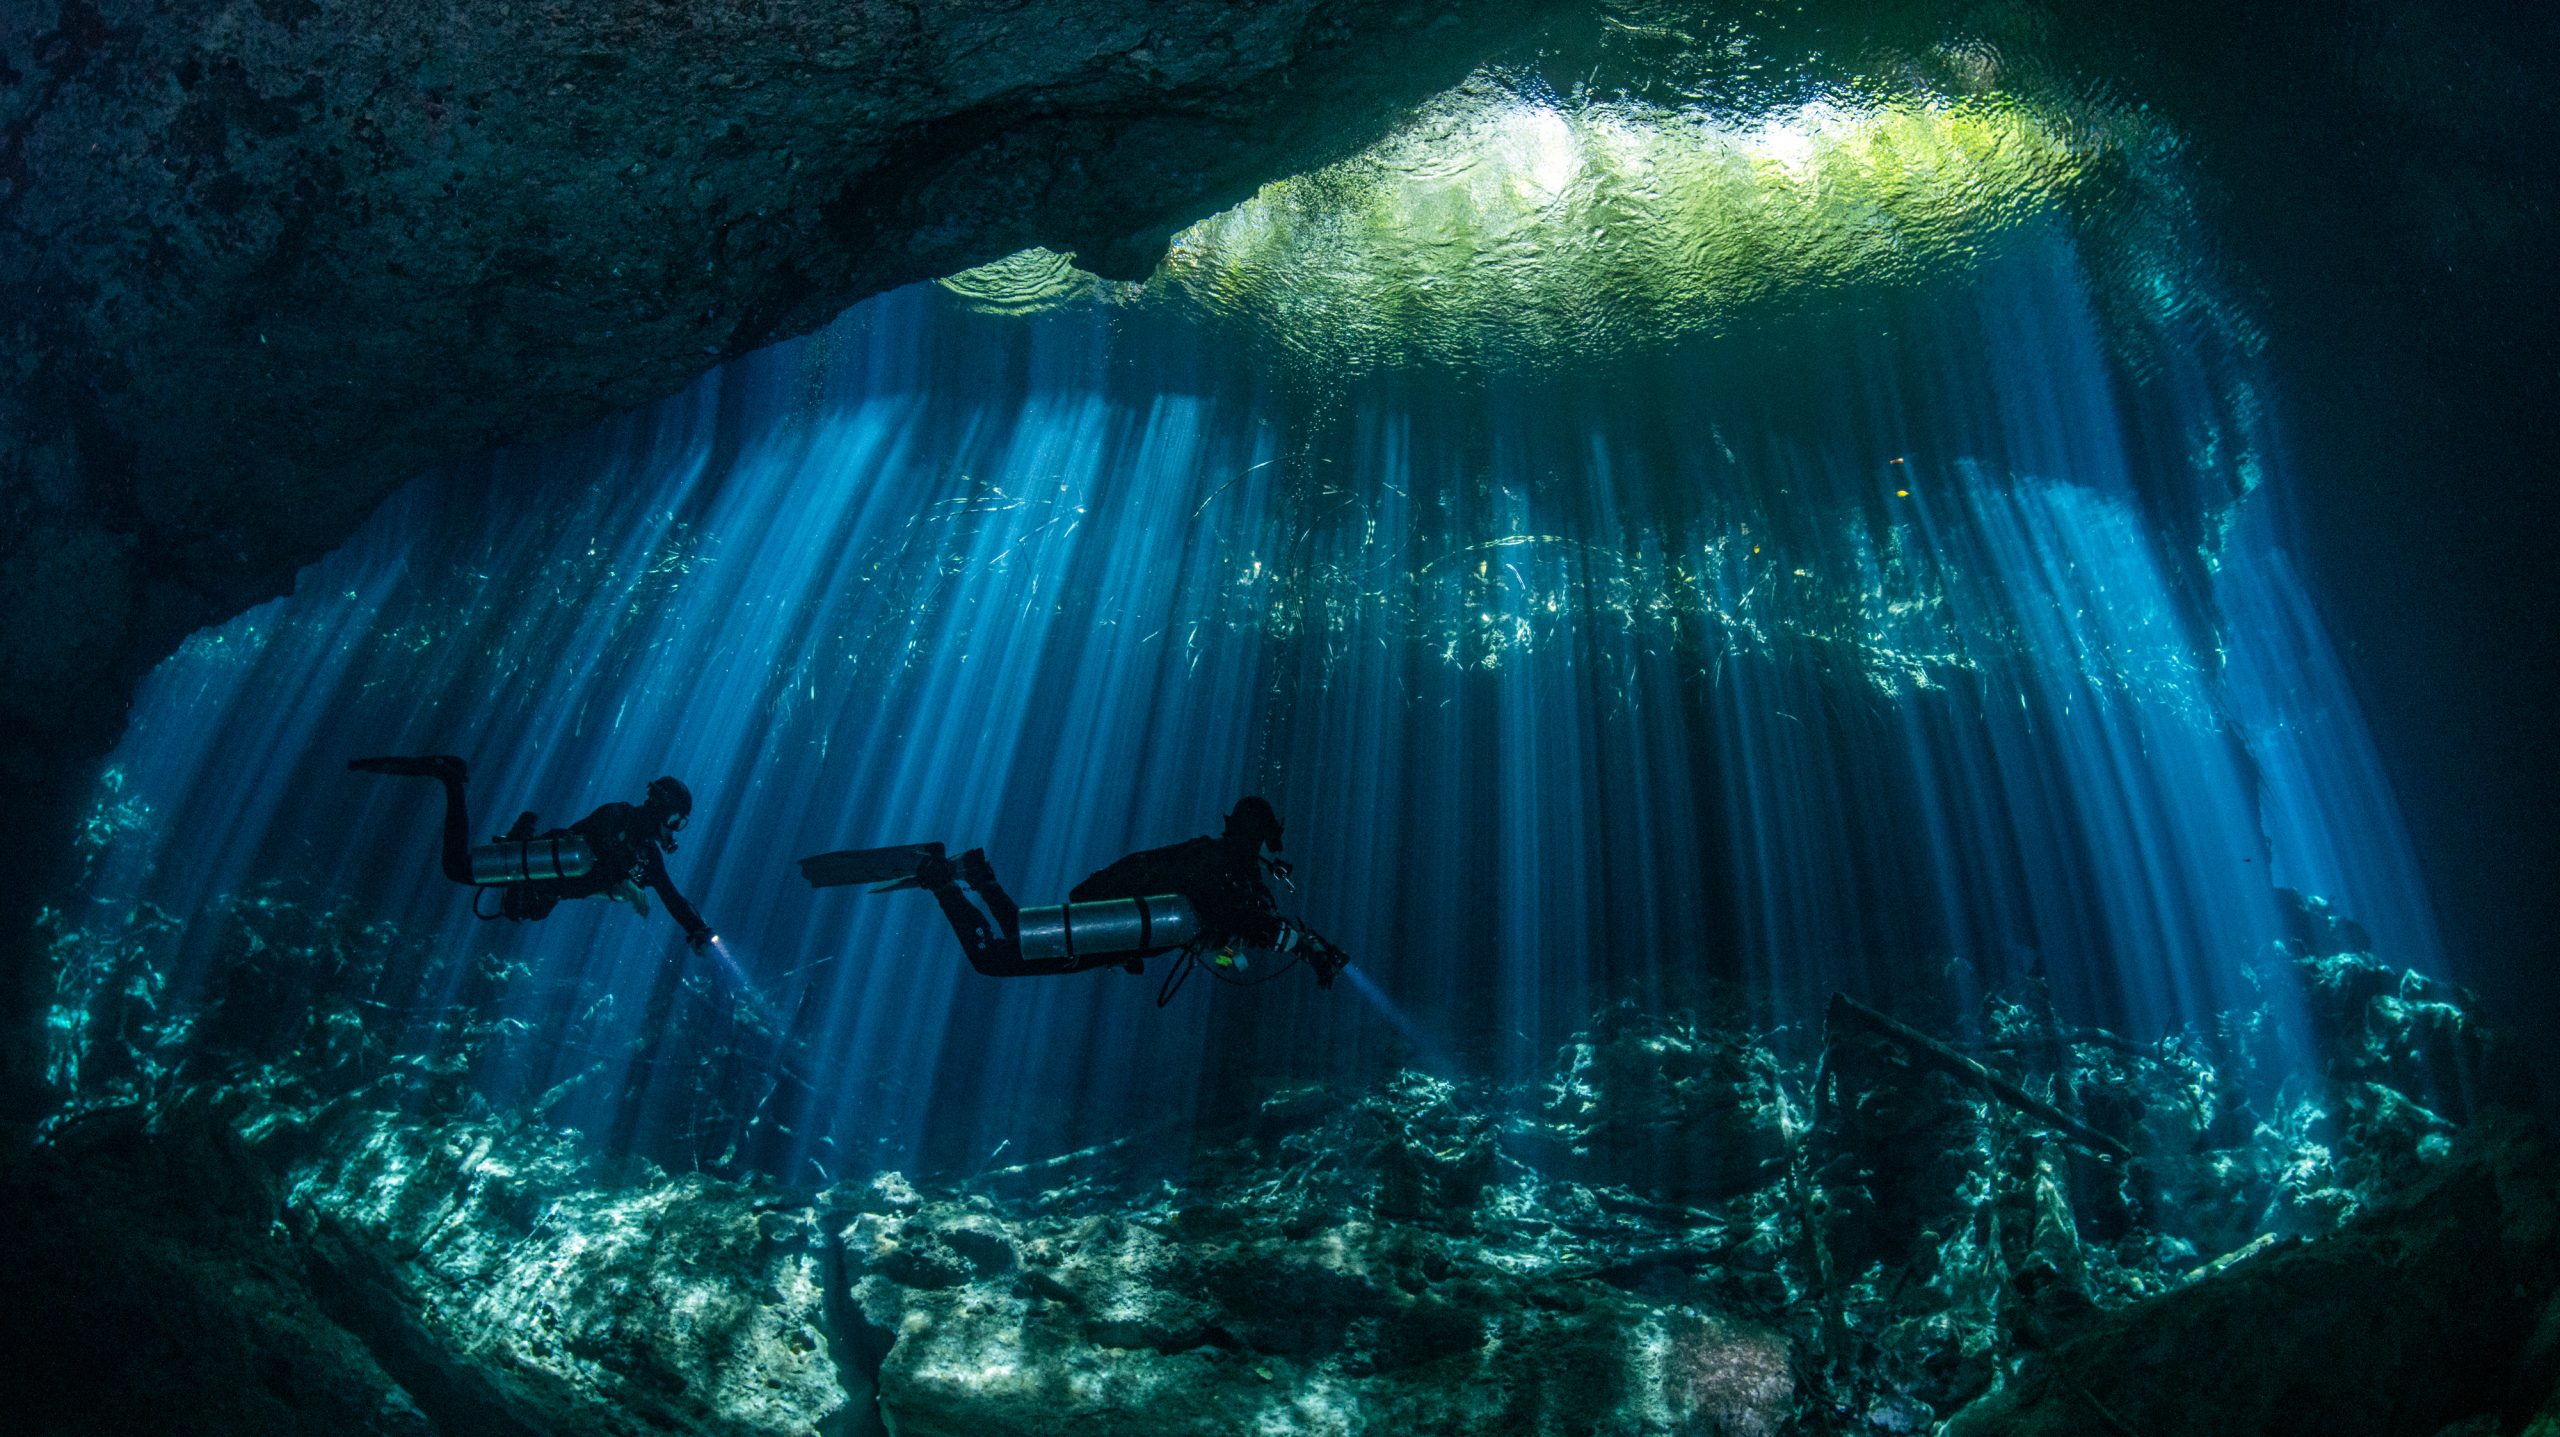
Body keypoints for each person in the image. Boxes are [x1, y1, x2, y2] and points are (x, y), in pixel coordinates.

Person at [798, 796, 1347, 993]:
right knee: (994, 959)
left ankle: (974, 872)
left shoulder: (1208, 854)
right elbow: (1242, 922)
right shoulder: (1227, 869)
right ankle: (944, 878)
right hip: (1105, 932)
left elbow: (1227, 926)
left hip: (1105, 923)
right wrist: (1305, 948)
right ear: (1265, 836)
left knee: (1014, 938)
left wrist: (1300, 944)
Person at [349, 755, 715, 952]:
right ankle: (450, 780)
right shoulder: (616, 814)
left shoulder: (647, 855)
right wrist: (626, 884)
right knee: (457, 868)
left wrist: (697, 930)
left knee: (525, 912)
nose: (673, 830)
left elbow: (672, 897)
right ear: (662, 809)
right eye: (676, 821)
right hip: (537, 867)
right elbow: (604, 845)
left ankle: (513, 829)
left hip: (544, 884)